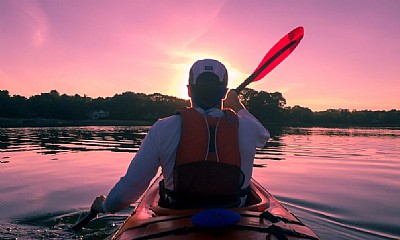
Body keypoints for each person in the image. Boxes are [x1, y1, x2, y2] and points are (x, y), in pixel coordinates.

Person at [91, 59, 270, 213]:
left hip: (177, 216)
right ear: (224, 92)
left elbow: (130, 188)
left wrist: (105, 206)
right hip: (236, 217)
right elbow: (264, 135)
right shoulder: (249, 128)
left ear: (189, 90)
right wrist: (237, 105)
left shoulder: (162, 128)